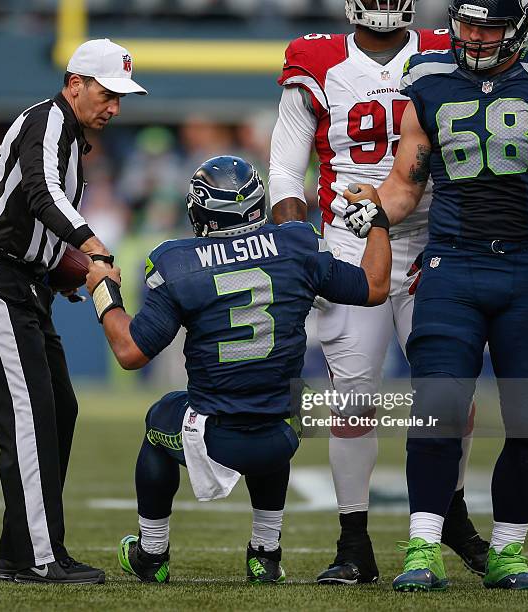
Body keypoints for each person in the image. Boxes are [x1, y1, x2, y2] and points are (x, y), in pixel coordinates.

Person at [84, 156, 392, 583]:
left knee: (159, 420)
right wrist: (379, 224)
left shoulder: (178, 262)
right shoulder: (298, 245)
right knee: (271, 408)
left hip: (218, 434)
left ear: (202, 211)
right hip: (283, 434)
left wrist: (104, 292)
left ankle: (151, 555)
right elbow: (375, 286)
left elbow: (130, 352)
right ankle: (265, 553)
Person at [269, 0, 487, 584]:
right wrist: (298, 248)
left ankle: (454, 518)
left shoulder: (447, 51)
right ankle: (353, 539)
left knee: (450, 394)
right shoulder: (317, 61)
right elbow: (287, 170)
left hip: (433, 242)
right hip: (349, 243)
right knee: (353, 399)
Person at [344, 0, 528, 592]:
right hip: (452, 263)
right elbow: (406, 184)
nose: (476, 38)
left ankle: (507, 551)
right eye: (468, 25)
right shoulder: (429, 80)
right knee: (438, 408)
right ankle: (423, 547)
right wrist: (375, 206)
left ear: (518, 30)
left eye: (489, 27)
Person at [0, 38, 147, 584]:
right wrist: (94, 249)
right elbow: (41, 194)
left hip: (22, 282)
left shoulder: (71, 135)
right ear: (75, 84)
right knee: (31, 419)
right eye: (107, 95)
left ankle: (19, 551)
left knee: (59, 409)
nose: (114, 108)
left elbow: (36, 220)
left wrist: (67, 271)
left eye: (120, 99)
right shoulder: (49, 120)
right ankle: (37, 556)